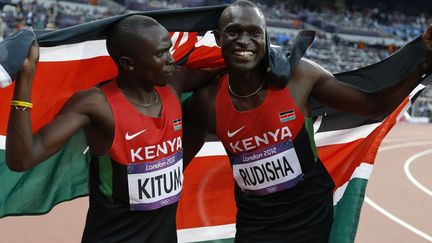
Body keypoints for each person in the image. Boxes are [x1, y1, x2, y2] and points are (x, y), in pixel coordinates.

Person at [183, 1, 432, 242]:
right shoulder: (206, 103)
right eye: (233, 32)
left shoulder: (301, 77)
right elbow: (175, 166)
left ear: (265, 37)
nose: (244, 41)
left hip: (309, 215)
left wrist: (422, 65)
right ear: (218, 38)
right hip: (255, 223)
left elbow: (373, 106)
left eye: (254, 33)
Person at [6, 15, 218, 242]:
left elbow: (228, 70)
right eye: (160, 54)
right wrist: (26, 78)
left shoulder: (174, 83)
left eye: (169, 49)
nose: (171, 59)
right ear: (128, 63)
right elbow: (22, 160)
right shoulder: (96, 104)